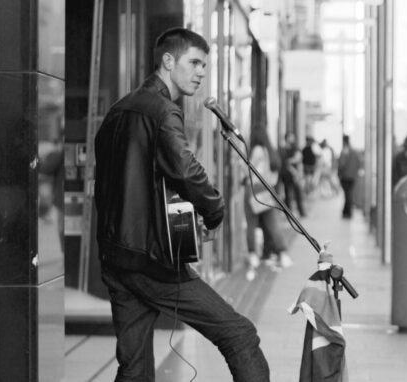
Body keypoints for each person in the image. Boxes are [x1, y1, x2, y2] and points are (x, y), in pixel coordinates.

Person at [93, 28, 270, 381]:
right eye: (194, 63)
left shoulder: (118, 111)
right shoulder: (162, 111)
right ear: (168, 61)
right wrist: (214, 210)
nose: (201, 72)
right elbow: (185, 169)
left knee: (135, 367)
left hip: (116, 257)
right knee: (240, 335)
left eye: (204, 65)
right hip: (151, 262)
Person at [244, 127, 292, 280]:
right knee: (272, 224)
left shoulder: (257, 150)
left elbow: (249, 170)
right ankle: (282, 253)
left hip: (254, 189)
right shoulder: (271, 151)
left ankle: (253, 255)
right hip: (268, 190)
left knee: (251, 224)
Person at [279, 132, 306, 217]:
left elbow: (298, 158)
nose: (293, 139)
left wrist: (291, 162)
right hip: (286, 175)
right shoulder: (283, 149)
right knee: (287, 194)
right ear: (287, 138)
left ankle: (301, 211)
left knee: (298, 193)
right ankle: (288, 212)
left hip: (294, 175)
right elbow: (284, 162)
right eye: (291, 137)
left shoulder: (295, 148)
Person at [336, 135, 362, 219]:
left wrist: (339, 173)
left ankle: (347, 212)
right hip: (353, 176)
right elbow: (359, 163)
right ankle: (346, 211)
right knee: (349, 193)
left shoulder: (345, 150)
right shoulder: (355, 151)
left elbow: (341, 164)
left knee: (347, 194)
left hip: (346, 176)